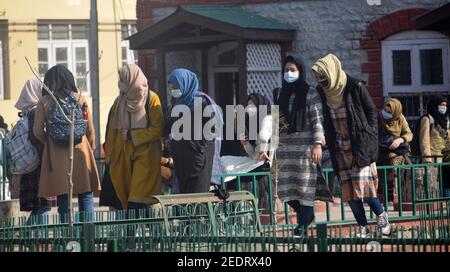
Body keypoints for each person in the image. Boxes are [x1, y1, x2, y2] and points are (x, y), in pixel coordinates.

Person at [312, 53, 390, 237]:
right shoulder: (323, 92)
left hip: (359, 144)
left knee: (365, 188)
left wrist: (370, 133)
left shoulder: (355, 86)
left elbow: (371, 110)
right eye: (318, 78)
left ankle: (381, 214)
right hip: (339, 148)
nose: (322, 81)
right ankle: (363, 227)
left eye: (323, 76)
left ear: (332, 71)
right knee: (349, 194)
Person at [33, 65, 100, 222]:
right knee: (86, 194)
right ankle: (88, 235)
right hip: (80, 150)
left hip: (56, 153)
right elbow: (90, 129)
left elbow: (37, 131)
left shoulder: (44, 102)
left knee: (63, 196)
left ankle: (68, 236)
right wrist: (90, 146)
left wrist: (49, 141)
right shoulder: (79, 98)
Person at [276, 56, 332, 237]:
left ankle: (302, 226)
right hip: (285, 151)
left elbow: (317, 119)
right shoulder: (280, 93)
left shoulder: (310, 92)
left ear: (300, 71)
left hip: (305, 151)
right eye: (286, 70)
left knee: (305, 189)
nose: (289, 73)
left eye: (292, 70)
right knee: (286, 190)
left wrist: (318, 144)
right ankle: (307, 217)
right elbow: (277, 121)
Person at [103, 64, 164, 212]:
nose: (120, 83)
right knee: (123, 196)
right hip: (122, 157)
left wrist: (133, 135)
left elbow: (157, 129)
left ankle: (145, 232)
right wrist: (109, 156)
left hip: (145, 156)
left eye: (123, 79)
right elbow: (112, 131)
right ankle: (131, 234)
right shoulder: (119, 102)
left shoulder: (151, 99)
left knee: (139, 197)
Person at [167, 68, 216, 194]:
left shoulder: (202, 103)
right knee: (184, 199)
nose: (173, 90)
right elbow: (167, 126)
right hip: (181, 160)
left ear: (185, 84)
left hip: (198, 160)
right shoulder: (175, 104)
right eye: (171, 87)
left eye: (176, 86)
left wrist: (198, 149)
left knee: (197, 199)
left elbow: (211, 130)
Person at [15, 79, 56, 224]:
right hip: (39, 169)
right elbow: (37, 138)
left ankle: (30, 237)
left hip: (30, 166)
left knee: (40, 208)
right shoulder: (35, 112)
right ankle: (33, 239)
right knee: (44, 207)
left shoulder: (26, 113)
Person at [236, 93, 274, 211]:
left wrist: (262, 150)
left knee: (265, 189)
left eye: (252, 105)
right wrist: (245, 143)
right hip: (255, 160)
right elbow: (252, 152)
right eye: (248, 105)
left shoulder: (267, 118)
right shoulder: (252, 122)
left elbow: (263, 136)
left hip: (265, 160)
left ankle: (268, 214)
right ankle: (261, 213)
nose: (249, 108)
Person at [377, 98, 413, 203]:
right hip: (381, 149)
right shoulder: (378, 117)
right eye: (385, 110)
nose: (386, 113)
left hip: (397, 150)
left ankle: (396, 195)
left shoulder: (400, 118)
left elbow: (409, 134)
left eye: (390, 112)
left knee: (395, 166)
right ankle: (382, 195)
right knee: (380, 171)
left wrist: (400, 140)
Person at [417, 95, 450, 195]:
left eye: (445, 105)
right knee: (435, 181)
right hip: (433, 156)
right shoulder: (427, 119)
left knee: (445, 180)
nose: (443, 107)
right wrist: (427, 158)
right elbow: (424, 139)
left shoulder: (446, 120)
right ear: (435, 105)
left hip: (445, 155)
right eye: (441, 105)